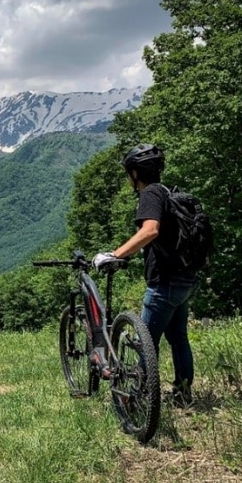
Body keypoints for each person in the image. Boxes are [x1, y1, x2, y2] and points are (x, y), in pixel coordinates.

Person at [91, 144, 197, 407]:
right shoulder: (169, 192)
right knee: (178, 338)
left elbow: (150, 231)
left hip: (164, 283)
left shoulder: (150, 193)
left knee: (144, 343)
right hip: (186, 278)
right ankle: (184, 394)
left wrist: (116, 255)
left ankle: (140, 398)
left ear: (135, 173)